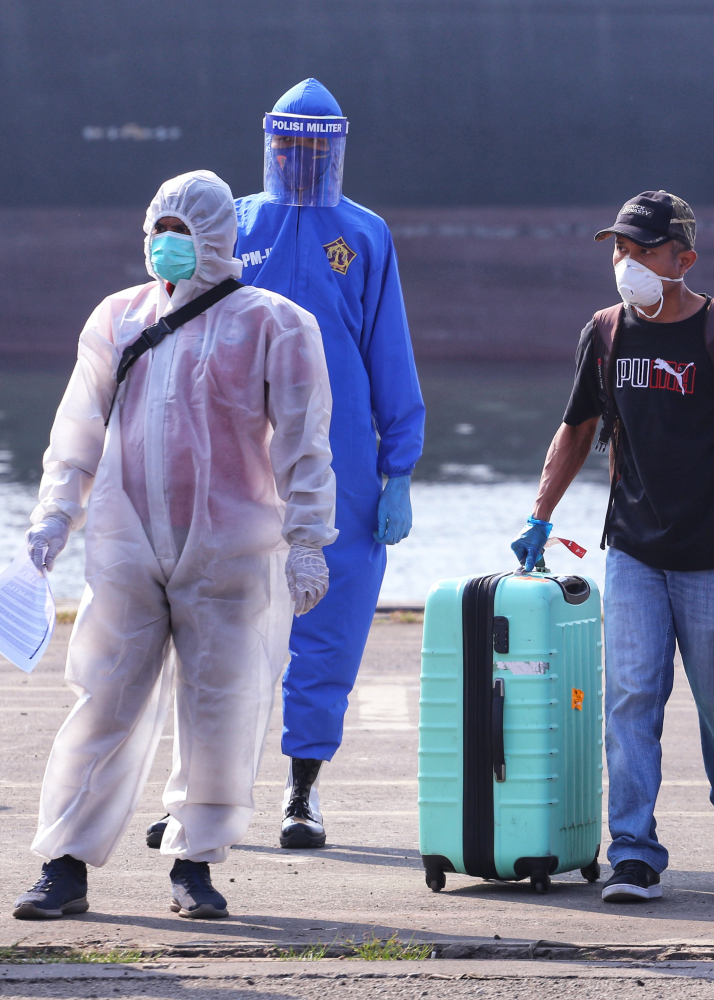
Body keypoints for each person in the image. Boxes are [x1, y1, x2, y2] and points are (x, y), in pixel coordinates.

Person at [13, 170, 337, 921]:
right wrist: (54, 518)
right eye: (157, 229)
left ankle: (195, 862)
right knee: (102, 698)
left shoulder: (275, 324)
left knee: (221, 706)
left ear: (217, 238)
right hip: (126, 544)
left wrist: (309, 537)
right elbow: (78, 428)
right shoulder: (117, 317)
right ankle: (64, 864)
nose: (166, 244)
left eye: (181, 232)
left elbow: (304, 443)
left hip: (228, 550)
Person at [513, 191, 714, 902]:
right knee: (631, 697)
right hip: (636, 550)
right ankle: (635, 852)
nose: (627, 263)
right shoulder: (607, 333)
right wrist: (541, 515)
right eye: (620, 248)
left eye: (643, 250)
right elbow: (576, 429)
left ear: (684, 259)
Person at [233, 78, 425, 851]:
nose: (302, 158)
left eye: (318, 147)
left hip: (342, 466)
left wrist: (400, 467)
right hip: (236, 456)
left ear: (336, 149)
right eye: (290, 144)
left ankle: (301, 792)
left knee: (330, 625)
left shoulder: (366, 235)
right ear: (271, 143)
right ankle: (204, 792)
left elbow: (390, 351)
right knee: (223, 624)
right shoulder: (234, 224)